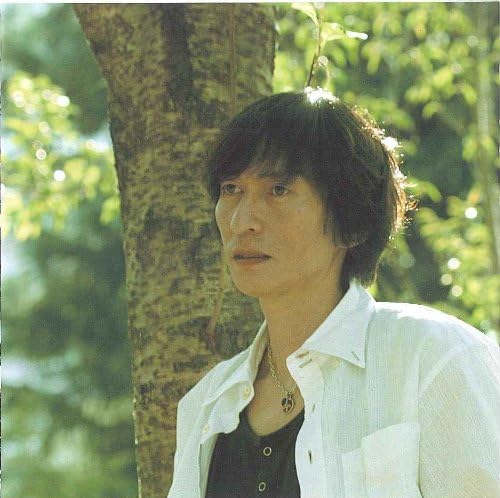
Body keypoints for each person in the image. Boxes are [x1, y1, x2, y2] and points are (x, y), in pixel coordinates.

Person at [167, 88, 500, 498]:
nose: (242, 220)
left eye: (278, 190)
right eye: (231, 189)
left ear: (352, 221)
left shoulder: (433, 356)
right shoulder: (206, 405)